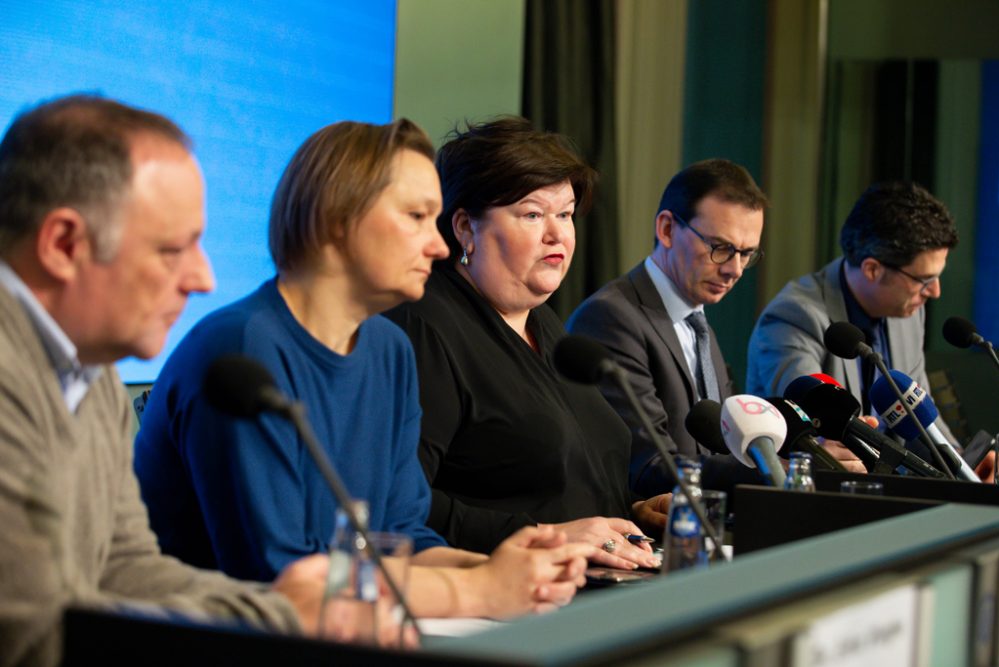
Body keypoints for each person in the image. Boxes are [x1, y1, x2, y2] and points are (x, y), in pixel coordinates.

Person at [134, 117, 591, 621]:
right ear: (337, 220)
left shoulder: (388, 349)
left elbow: (406, 538)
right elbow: (284, 580)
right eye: (416, 216)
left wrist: (519, 571)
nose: (439, 245)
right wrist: (479, 588)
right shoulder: (243, 350)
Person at [0, 94, 357, 665]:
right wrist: (281, 615)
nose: (204, 278)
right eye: (173, 249)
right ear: (64, 244)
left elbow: (124, 568)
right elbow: (37, 637)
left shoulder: (88, 372)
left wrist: (291, 607)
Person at [385, 117, 666, 570]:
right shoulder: (425, 326)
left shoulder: (546, 324)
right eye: (533, 214)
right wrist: (543, 538)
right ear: (465, 228)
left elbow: (549, 485)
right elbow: (399, 505)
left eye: (566, 214)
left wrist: (630, 515)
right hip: (496, 602)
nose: (557, 234)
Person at [567, 159, 858, 497]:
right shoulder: (611, 318)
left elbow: (720, 448)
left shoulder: (696, 319)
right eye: (720, 248)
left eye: (746, 253)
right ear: (666, 229)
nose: (734, 270)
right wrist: (784, 468)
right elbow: (647, 467)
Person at [746, 181, 959, 443]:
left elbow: (920, 417)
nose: (934, 292)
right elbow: (815, 430)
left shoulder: (910, 311)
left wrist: (963, 467)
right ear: (872, 270)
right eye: (924, 280)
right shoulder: (795, 316)